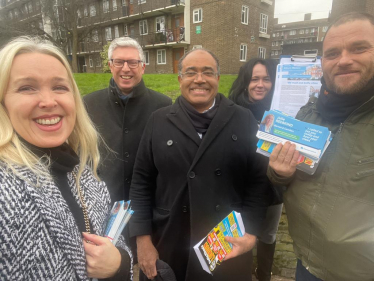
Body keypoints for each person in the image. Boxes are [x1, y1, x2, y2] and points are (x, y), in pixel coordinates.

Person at [129, 48, 271, 281]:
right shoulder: (158, 120)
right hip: (169, 238)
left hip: (225, 243)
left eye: (207, 72)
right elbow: (141, 182)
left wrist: (252, 232)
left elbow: (258, 181)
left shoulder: (243, 119)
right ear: (180, 79)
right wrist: (142, 240)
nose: (199, 79)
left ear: (217, 78)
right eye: (191, 72)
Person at [0, 36, 132, 280]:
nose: (49, 102)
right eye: (27, 88)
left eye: (60, 87)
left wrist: (119, 263)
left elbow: (114, 237)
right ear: (3, 102)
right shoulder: (6, 194)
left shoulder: (81, 169)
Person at [268, 12, 374, 281]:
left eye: (359, 48)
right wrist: (281, 173)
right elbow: (289, 178)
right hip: (307, 264)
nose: (344, 60)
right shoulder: (309, 112)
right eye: (332, 53)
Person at [84, 37, 171, 204]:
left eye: (132, 62)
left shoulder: (163, 105)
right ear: (110, 66)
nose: (125, 68)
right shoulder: (89, 104)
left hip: (148, 201)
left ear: (142, 67)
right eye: (119, 62)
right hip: (103, 201)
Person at [229, 58, 283, 281]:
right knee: (241, 232)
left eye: (266, 79)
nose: (260, 84)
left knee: (268, 234)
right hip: (241, 185)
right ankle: (239, 271)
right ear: (245, 82)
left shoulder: (283, 110)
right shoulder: (232, 109)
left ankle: (263, 275)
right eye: (254, 79)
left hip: (273, 185)